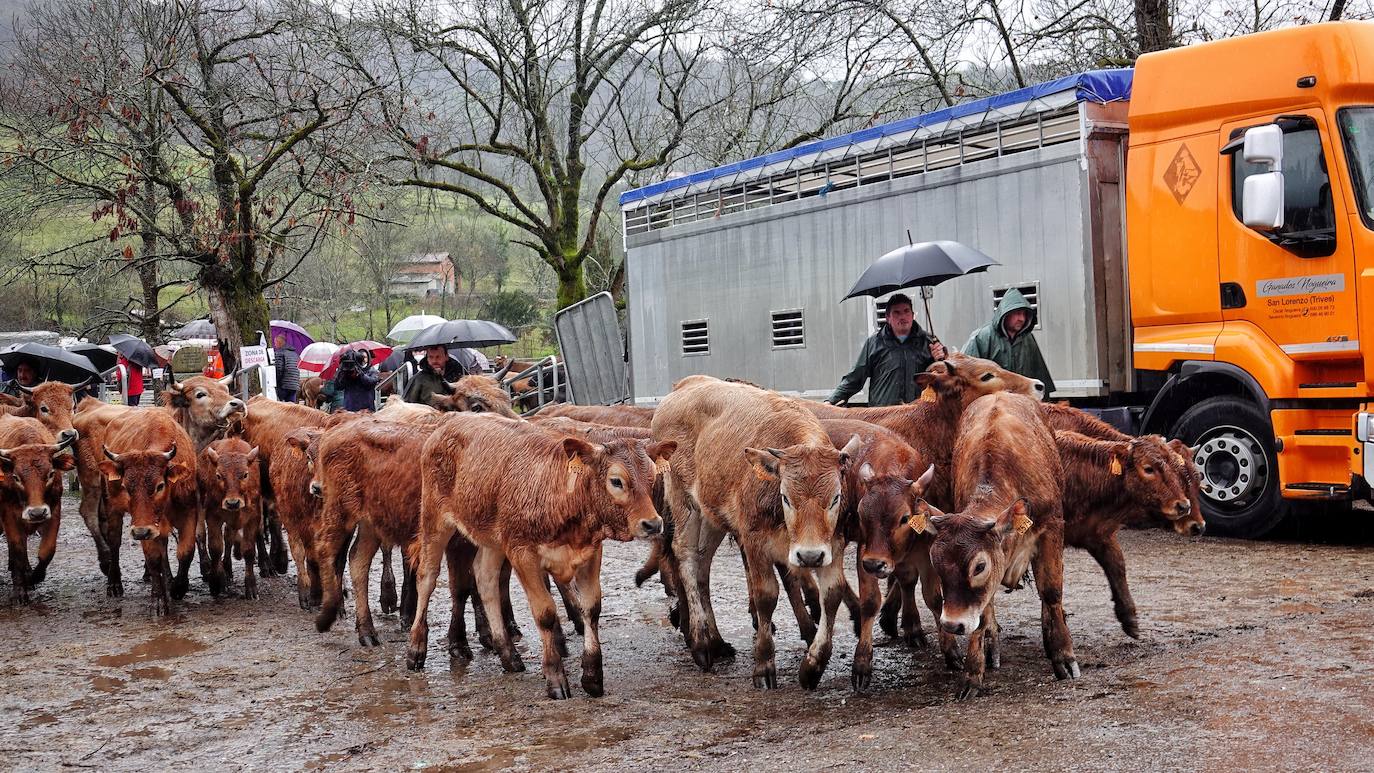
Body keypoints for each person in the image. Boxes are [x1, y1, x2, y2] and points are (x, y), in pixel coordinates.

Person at [828, 293, 947, 407]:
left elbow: (946, 379)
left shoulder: (929, 342)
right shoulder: (874, 343)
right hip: (884, 418)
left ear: (912, 314)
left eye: (906, 311)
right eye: (897, 313)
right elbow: (855, 379)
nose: (903, 317)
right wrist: (831, 401)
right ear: (888, 317)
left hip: (916, 417)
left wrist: (941, 359)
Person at [963, 287, 1055, 398]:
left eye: (1024, 314)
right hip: (991, 404)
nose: (1021, 318)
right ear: (1005, 313)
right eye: (1017, 313)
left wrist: (1045, 402)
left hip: (1020, 402)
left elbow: (1039, 372)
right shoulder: (982, 337)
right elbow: (965, 375)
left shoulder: (1028, 339)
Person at [273, 334, 301, 404]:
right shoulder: (295, 354)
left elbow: (279, 370)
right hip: (294, 385)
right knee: (291, 407)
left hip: (283, 385)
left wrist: (276, 382)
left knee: (280, 405)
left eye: (275, 342)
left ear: (279, 342)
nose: (275, 344)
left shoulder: (279, 353)